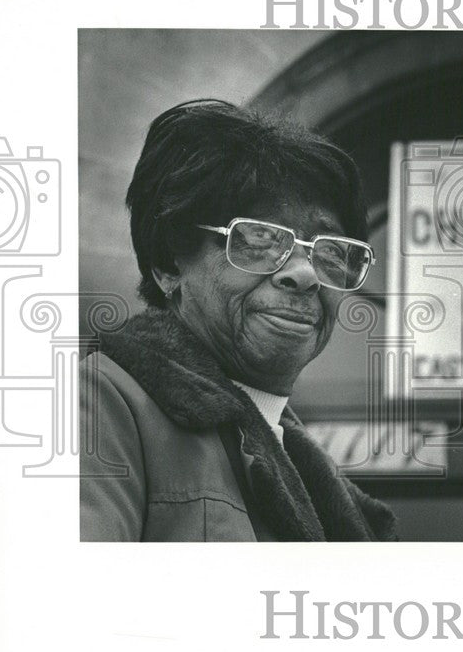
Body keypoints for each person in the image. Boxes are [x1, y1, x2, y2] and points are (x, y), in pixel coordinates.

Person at [80, 99, 397, 541]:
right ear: (169, 264)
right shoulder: (97, 404)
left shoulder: (309, 471)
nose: (305, 274)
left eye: (330, 251)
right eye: (260, 239)